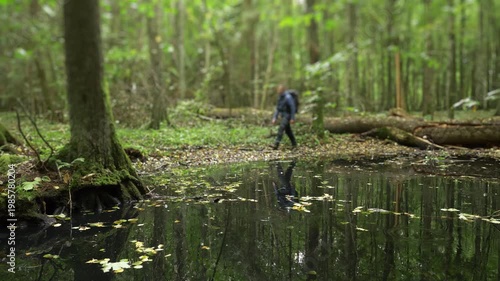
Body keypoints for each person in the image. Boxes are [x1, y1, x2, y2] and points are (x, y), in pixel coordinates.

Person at [271, 84, 297, 150]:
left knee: (281, 128)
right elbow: (278, 108)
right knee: (288, 131)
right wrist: (274, 117)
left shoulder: (288, 97)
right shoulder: (280, 97)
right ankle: (294, 144)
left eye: (279, 89)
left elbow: (292, 108)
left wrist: (292, 118)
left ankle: (276, 144)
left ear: (282, 90)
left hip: (287, 115)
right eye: (278, 89)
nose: (278, 91)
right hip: (283, 115)